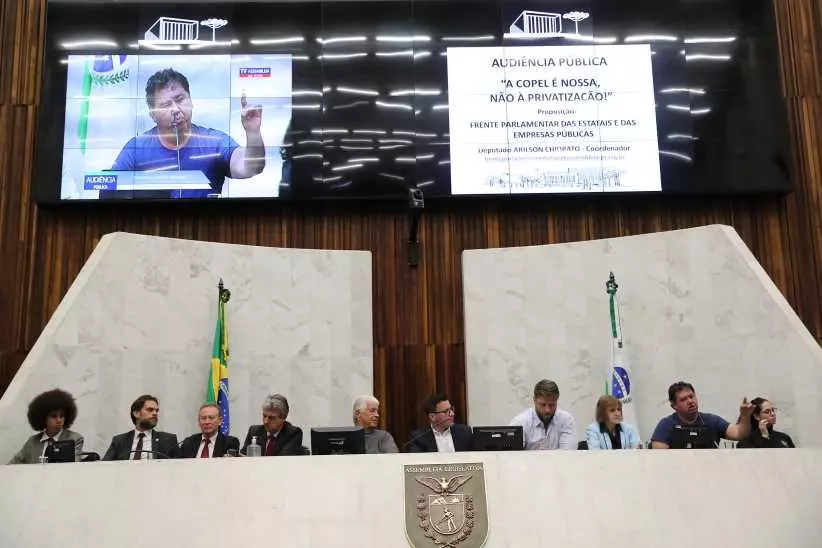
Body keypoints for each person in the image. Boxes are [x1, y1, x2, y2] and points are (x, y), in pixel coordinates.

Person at [108, 68, 265, 198]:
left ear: (191, 100)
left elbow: (251, 167)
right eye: (165, 105)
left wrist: (253, 132)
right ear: (152, 114)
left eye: (180, 99)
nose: (175, 109)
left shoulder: (214, 142)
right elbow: (109, 190)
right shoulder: (136, 148)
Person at [650, 381, 753, 449]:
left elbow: (739, 433)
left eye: (691, 396)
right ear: (674, 406)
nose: (690, 401)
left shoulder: (711, 421)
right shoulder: (666, 425)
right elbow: (660, 458)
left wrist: (745, 416)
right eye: (683, 399)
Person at [8, 389, 84, 464]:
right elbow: (11, 465)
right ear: (43, 418)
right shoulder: (32, 442)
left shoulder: (74, 439)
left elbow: (73, 467)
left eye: (62, 416)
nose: (59, 420)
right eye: (54, 416)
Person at [102, 394, 179, 460]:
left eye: (156, 410)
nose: (155, 413)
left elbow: (180, 466)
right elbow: (104, 466)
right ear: (136, 413)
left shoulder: (168, 440)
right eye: (150, 410)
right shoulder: (119, 441)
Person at [509, 379, 578, 450]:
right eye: (543, 404)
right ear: (534, 400)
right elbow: (513, 454)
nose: (547, 410)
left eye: (552, 405)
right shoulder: (520, 422)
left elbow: (568, 453)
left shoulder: (567, 420)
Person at [406, 393, 472, 453]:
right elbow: (418, 461)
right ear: (432, 417)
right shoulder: (418, 438)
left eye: (451, 409)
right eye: (446, 411)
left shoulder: (465, 432)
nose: (452, 414)